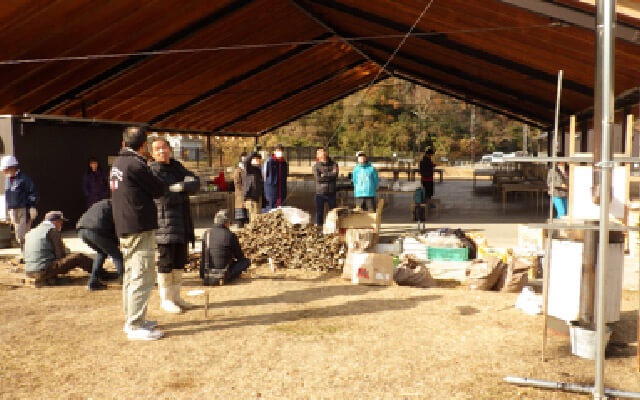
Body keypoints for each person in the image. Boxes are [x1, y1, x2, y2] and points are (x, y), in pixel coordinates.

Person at [110, 126, 166, 341]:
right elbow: (158, 189)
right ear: (143, 145)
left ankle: (134, 318)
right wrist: (152, 166)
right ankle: (134, 324)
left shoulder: (118, 162)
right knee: (142, 274)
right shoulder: (136, 164)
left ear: (124, 143)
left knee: (131, 275)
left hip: (124, 226)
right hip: (138, 226)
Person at [150, 138, 200, 314]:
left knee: (180, 261)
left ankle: (176, 296)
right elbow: (164, 197)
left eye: (164, 147)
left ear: (170, 149)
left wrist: (180, 187)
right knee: (166, 262)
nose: (162, 151)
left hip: (183, 221)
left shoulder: (177, 166)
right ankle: (166, 299)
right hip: (164, 224)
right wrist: (184, 192)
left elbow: (195, 181)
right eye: (157, 149)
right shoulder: (153, 171)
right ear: (152, 153)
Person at [25, 211, 92, 284]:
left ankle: (49, 279)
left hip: (29, 271)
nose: (61, 226)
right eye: (61, 223)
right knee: (79, 257)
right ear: (56, 222)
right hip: (43, 270)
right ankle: (100, 273)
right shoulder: (52, 231)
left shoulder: (31, 232)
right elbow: (60, 255)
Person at [77, 199, 123, 291]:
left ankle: (93, 282)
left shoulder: (105, 203)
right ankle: (127, 281)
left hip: (81, 230)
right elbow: (119, 226)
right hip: (96, 229)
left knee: (101, 252)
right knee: (117, 255)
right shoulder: (118, 206)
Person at [200, 210, 251, 285]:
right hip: (224, 274)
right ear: (227, 223)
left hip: (206, 272)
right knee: (246, 261)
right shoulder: (230, 235)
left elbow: (204, 255)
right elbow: (240, 257)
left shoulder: (206, 234)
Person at [1, 155, 38, 253]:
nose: (4, 172)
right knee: (18, 233)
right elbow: (8, 195)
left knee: (23, 233)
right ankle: (24, 252)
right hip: (13, 210)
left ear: (12, 168)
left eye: (5, 170)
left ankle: (27, 253)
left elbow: (32, 192)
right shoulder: (8, 181)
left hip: (23, 209)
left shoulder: (24, 179)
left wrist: (32, 206)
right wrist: (8, 210)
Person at [312, 147, 339, 226]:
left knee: (333, 212)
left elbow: (335, 175)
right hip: (320, 192)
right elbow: (318, 178)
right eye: (320, 152)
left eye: (324, 151)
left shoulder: (334, 164)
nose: (322, 153)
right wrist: (329, 176)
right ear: (317, 155)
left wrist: (324, 175)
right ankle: (319, 227)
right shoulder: (316, 166)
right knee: (319, 212)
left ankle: (333, 227)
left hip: (331, 192)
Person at [263, 144, 288, 211]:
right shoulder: (269, 162)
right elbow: (264, 176)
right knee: (270, 208)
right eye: (277, 150)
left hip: (281, 189)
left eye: (281, 151)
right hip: (271, 189)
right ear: (274, 152)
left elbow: (285, 176)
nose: (279, 152)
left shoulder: (284, 163)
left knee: (281, 208)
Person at [242, 152, 264, 223]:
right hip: (251, 198)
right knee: (254, 219)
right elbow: (245, 162)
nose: (258, 161)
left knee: (258, 218)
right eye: (256, 159)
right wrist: (253, 153)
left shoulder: (258, 170)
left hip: (258, 197)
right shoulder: (249, 169)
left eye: (259, 159)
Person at [233, 152, 248, 228]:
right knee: (241, 219)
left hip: (247, 197)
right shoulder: (238, 170)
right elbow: (237, 183)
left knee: (247, 219)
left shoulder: (248, 169)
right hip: (240, 197)